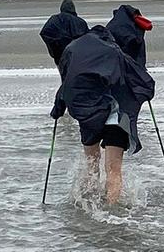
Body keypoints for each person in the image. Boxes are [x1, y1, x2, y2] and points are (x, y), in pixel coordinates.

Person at [50, 25, 155, 204]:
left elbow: (66, 83)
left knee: (91, 163)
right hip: (117, 119)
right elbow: (142, 79)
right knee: (114, 169)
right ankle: (110, 210)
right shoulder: (114, 51)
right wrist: (145, 93)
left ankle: (89, 205)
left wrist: (58, 108)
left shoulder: (72, 50)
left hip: (89, 116)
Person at [39, 0, 89, 68]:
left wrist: (56, 46)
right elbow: (87, 38)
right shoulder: (80, 22)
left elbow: (45, 32)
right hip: (76, 57)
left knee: (65, 74)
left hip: (60, 56)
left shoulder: (54, 20)